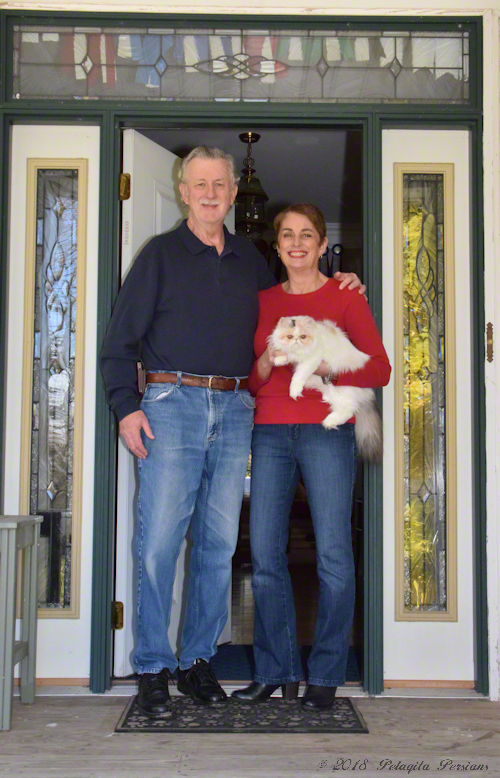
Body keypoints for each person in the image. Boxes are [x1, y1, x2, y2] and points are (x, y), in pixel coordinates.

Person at [100, 149, 364, 716]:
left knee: (219, 546)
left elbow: (294, 309)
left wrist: (346, 282)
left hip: (237, 407)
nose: (213, 192)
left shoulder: (251, 259)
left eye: (220, 183)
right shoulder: (159, 256)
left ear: (229, 192)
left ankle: (196, 662)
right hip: (171, 404)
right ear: (184, 190)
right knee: (160, 542)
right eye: (202, 184)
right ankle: (151, 667)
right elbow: (119, 342)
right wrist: (127, 407)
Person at [232, 203, 391, 709]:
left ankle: (325, 674)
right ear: (276, 246)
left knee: (333, 556)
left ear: (322, 245)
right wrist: (262, 360)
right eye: (286, 235)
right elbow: (255, 379)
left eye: (307, 235)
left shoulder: (344, 296)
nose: (296, 243)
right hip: (271, 434)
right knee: (267, 556)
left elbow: (380, 369)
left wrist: (328, 367)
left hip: (327, 432)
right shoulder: (261, 301)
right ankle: (275, 670)